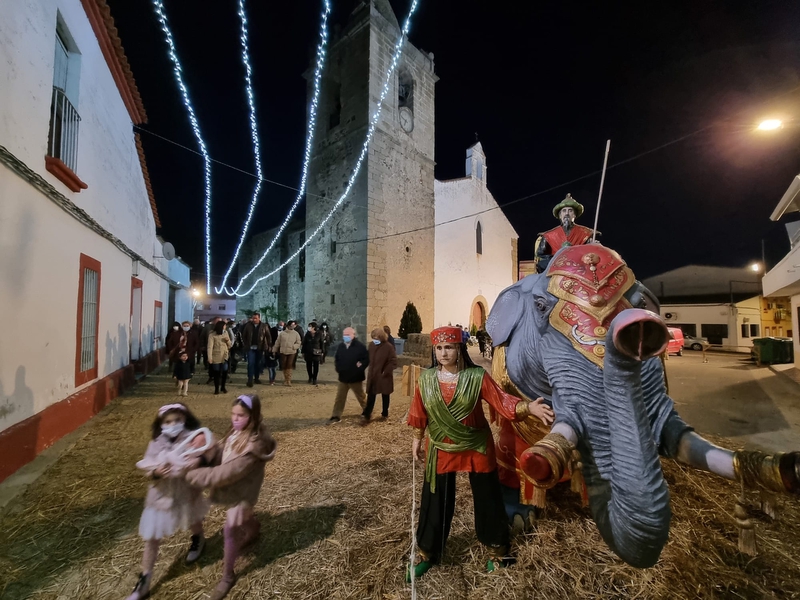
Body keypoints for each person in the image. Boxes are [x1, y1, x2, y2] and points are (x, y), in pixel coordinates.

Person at [405, 326, 554, 580]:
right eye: (439, 348)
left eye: (449, 347)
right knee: (435, 498)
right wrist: (417, 439)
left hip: (476, 446)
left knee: (487, 497)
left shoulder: (476, 377)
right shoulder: (426, 380)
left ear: (459, 349)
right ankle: (427, 551)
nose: (444, 353)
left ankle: (498, 550)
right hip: (440, 446)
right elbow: (420, 410)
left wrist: (529, 407)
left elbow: (502, 401)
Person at [186, 395, 276, 600]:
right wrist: (203, 456)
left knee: (231, 526)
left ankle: (227, 576)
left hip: (244, 489)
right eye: (233, 414)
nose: (235, 419)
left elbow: (227, 473)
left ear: (252, 416)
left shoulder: (254, 445)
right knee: (244, 518)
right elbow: (223, 452)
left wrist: (192, 475)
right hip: (235, 487)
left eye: (241, 415)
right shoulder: (236, 432)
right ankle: (253, 529)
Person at [126, 403, 212, 600]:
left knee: (192, 517)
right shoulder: (156, 443)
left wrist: (196, 462)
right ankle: (145, 580)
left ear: (185, 420)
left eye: (178, 420)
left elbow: (206, 452)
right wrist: (156, 472)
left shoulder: (192, 438)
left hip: (185, 492)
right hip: (160, 497)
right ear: (161, 424)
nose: (173, 424)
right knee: (152, 537)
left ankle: (198, 538)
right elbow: (148, 465)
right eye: (168, 422)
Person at [534, 193, 598, 273]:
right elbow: (540, 254)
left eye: (570, 211)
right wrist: (557, 257)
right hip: (556, 265)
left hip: (579, 265)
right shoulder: (549, 235)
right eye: (564, 211)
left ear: (574, 214)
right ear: (560, 215)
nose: (567, 213)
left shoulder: (585, 233)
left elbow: (593, 249)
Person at [329, 327, 369, 424]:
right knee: (339, 397)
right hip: (343, 377)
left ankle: (367, 412)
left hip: (355, 377)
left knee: (361, 397)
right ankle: (336, 415)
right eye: (344, 335)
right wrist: (338, 368)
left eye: (348, 335)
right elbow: (337, 358)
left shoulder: (360, 347)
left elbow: (366, 359)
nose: (345, 337)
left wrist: (360, 367)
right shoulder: (341, 346)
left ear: (353, 335)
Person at [362, 327, 397, 424]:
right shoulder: (371, 345)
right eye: (373, 338)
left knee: (385, 394)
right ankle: (367, 415)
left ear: (381, 337)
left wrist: (385, 372)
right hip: (373, 375)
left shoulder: (389, 347)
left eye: (376, 338)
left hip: (384, 376)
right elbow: (367, 358)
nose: (374, 340)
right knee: (371, 396)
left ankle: (384, 413)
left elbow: (393, 361)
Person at [241, 313, 272, 387]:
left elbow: (268, 336)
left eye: (256, 318)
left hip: (260, 348)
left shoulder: (264, 326)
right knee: (251, 363)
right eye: (253, 318)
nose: (254, 320)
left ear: (259, 318)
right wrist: (245, 344)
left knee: (258, 363)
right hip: (250, 348)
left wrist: (269, 345)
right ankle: (250, 379)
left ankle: (256, 377)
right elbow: (243, 335)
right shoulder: (248, 325)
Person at [271, 320, 302, 386]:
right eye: (292, 325)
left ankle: (289, 380)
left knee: (289, 365)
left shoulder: (296, 333)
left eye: (294, 325)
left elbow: (299, 342)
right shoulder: (282, 333)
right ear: (288, 325)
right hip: (283, 351)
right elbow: (277, 342)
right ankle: (285, 379)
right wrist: (274, 350)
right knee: (284, 365)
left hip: (292, 351)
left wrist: (294, 347)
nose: (293, 326)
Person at [208, 320, 232, 395]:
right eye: (224, 326)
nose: (225, 327)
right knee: (216, 373)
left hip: (224, 356)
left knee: (225, 371)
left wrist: (228, 341)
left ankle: (223, 387)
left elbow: (230, 345)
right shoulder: (212, 335)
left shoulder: (226, 333)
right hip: (215, 355)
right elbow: (209, 347)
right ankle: (216, 388)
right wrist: (209, 357)